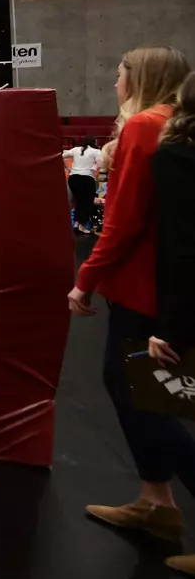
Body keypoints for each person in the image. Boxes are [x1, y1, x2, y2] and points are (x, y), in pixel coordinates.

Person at [71, 47, 194, 548]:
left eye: (119, 76)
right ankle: (155, 501)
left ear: (139, 78)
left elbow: (124, 221)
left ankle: (160, 500)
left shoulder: (145, 125)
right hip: (157, 286)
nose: (114, 84)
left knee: (143, 395)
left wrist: (86, 278)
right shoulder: (171, 124)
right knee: (143, 391)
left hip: (145, 286)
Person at [151, 73, 195, 578]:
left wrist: (174, 325)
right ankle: (156, 500)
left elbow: (185, 246)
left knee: (147, 396)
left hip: (178, 303)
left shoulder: (174, 153)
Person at [65, 138, 104, 233]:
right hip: (87, 178)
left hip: (73, 178)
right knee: (86, 202)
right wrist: (94, 168)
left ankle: (77, 224)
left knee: (79, 201)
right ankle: (82, 226)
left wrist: (68, 168)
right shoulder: (96, 151)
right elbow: (100, 162)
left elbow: (60, 155)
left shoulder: (75, 149)